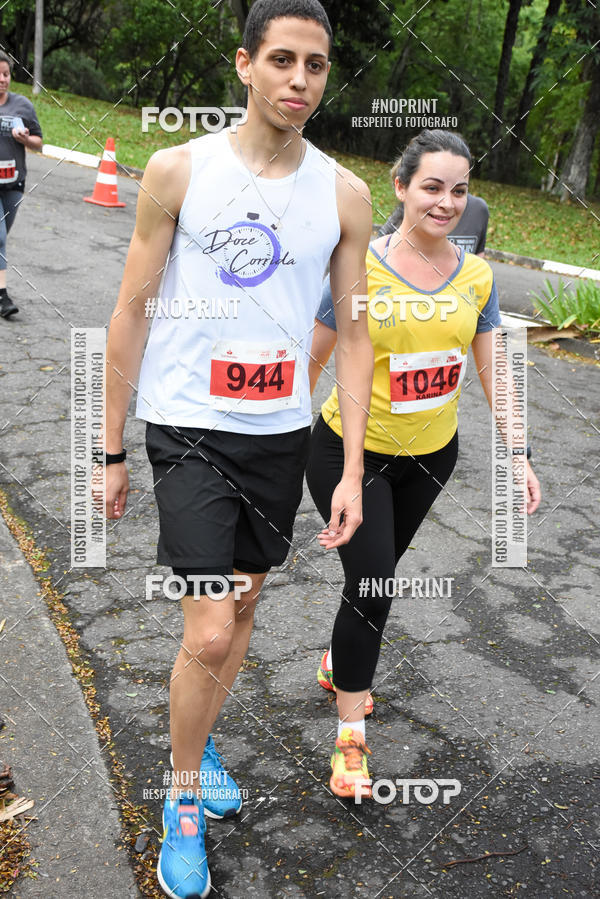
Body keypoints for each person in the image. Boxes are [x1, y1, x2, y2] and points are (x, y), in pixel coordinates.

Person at [103, 1, 373, 895]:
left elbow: (358, 334)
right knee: (211, 624)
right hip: (186, 426)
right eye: (284, 60)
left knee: (245, 607)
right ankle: (181, 795)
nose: (301, 80)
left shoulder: (344, 194)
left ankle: (201, 734)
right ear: (245, 65)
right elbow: (131, 309)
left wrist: (355, 470)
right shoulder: (179, 170)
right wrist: (109, 448)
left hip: (279, 434)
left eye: (318, 66)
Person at [306, 129, 541, 799]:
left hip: (432, 457)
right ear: (401, 186)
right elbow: (313, 359)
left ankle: (336, 660)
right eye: (432, 186)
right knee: (376, 583)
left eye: (460, 190)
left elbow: (494, 370)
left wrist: (518, 452)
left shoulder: (477, 276)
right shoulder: (361, 270)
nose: (446, 202)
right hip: (350, 455)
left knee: (373, 577)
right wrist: (270, 443)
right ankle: (351, 739)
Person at [0, 51, 43, 320]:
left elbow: (39, 143)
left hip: (14, 183)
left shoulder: (23, 106)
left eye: (5, 74)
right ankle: (3, 297)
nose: (2, 79)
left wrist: (25, 139)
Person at [379, 191, 490, 256]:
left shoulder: (478, 209)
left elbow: (478, 260)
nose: (447, 204)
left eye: (459, 191)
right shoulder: (413, 204)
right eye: (432, 188)